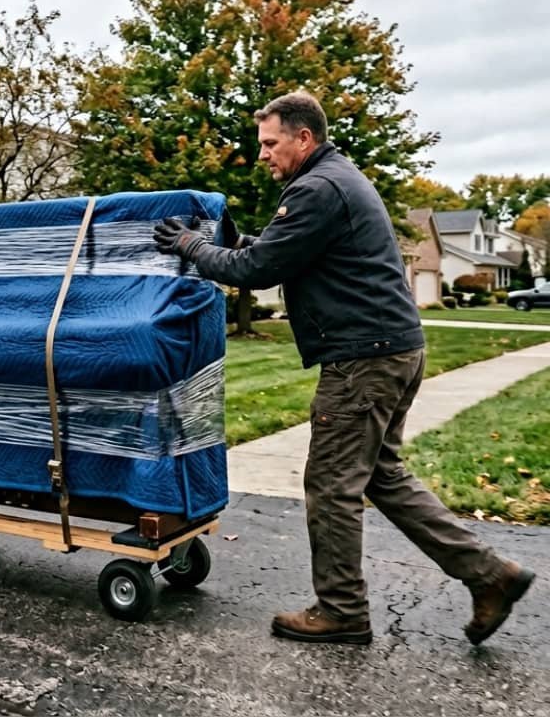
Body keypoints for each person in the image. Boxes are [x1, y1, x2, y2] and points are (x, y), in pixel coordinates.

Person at [153, 91, 535, 646]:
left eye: (269, 142)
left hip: (363, 361)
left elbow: (257, 271)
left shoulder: (316, 188)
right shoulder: (333, 181)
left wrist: (190, 245)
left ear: (302, 137)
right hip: (393, 350)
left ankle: (342, 611)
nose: (262, 154)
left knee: (331, 485)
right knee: (382, 476)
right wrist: (230, 240)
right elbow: (277, 253)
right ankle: (491, 576)